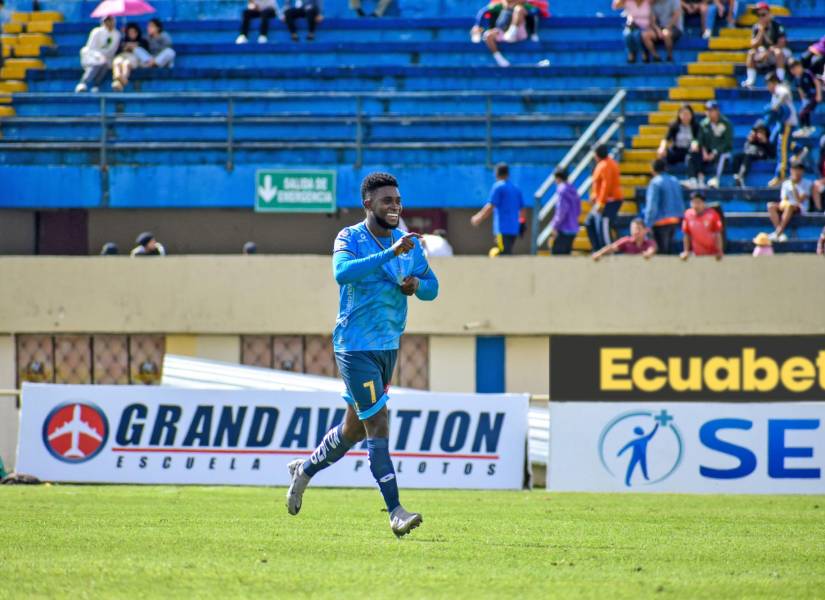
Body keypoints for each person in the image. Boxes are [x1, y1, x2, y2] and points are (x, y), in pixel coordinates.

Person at [285, 172, 438, 538]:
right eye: (387, 201)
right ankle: (396, 511)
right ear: (368, 204)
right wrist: (389, 254)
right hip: (354, 346)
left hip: (388, 345)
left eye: (398, 201)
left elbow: (433, 287)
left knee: (353, 430)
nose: (395, 207)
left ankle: (303, 471)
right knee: (378, 423)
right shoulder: (350, 237)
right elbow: (342, 273)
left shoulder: (409, 243)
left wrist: (417, 285)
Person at [470, 162, 526, 255]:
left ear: (496, 173)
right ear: (508, 174)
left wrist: (478, 217)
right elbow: (522, 209)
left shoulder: (498, 187)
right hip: (514, 229)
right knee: (507, 252)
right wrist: (522, 223)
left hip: (502, 229)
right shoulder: (516, 189)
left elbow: (491, 206)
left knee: (502, 255)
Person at [767, 162, 818, 242]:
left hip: (801, 207)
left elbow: (799, 200)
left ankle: (778, 233)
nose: (797, 172)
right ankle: (780, 233)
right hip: (787, 206)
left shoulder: (807, 183)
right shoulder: (786, 183)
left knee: (790, 206)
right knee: (770, 206)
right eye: (795, 170)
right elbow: (784, 198)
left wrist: (794, 186)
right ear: (791, 171)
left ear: (803, 171)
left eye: (799, 170)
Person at [586, 144, 623, 251]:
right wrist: (594, 197)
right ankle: (597, 248)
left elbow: (606, 186)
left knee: (603, 223)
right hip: (602, 200)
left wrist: (601, 203)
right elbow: (598, 184)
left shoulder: (606, 165)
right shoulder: (602, 164)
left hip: (610, 201)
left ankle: (607, 249)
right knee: (590, 222)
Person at [764, 72, 799, 187]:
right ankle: (798, 149)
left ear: (773, 83)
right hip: (782, 124)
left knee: (782, 150)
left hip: (787, 123)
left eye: (769, 84)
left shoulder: (779, 89)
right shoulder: (774, 94)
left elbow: (785, 93)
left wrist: (777, 105)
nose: (768, 87)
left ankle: (781, 175)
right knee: (778, 142)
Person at [644, 159, 685, 254]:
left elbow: (652, 205)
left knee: (660, 253)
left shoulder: (655, 182)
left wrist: (648, 223)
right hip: (674, 220)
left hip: (660, 222)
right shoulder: (674, 180)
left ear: (653, 170)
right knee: (669, 251)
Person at [741, 2, 787, 89]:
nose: (761, 17)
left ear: (769, 14)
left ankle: (780, 80)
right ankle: (750, 80)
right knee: (751, 53)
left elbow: (781, 43)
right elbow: (753, 45)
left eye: (763, 14)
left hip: (775, 53)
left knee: (778, 52)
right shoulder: (756, 27)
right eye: (759, 15)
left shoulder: (777, 25)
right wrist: (761, 31)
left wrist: (768, 51)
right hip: (762, 54)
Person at [692, 100, 733, 188]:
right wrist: (703, 150)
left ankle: (716, 178)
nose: (709, 113)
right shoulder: (703, 124)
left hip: (722, 151)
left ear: (717, 111)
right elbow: (699, 139)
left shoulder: (726, 124)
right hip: (707, 151)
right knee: (693, 152)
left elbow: (727, 143)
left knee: (722, 156)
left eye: (711, 110)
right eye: (707, 110)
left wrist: (714, 152)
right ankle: (698, 178)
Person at [75, 16, 121, 93]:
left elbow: (113, 50)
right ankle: (83, 82)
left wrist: (104, 57)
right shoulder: (96, 32)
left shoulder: (117, 34)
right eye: (107, 21)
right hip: (93, 56)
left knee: (104, 64)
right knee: (97, 64)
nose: (109, 23)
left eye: (111, 21)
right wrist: (99, 56)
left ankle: (96, 85)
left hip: (107, 58)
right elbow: (90, 48)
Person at [483, 0, 529, 67]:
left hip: (518, 32)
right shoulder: (499, 5)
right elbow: (485, 10)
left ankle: (512, 32)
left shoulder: (523, 6)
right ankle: (500, 60)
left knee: (519, 9)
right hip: (503, 32)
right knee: (487, 35)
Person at [546, 167, 582, 255]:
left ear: (558, 178)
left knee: (557, 256)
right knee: (566, 256)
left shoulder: (561, 189)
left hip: (563, 228)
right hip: (573, 228)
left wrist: (554, 226)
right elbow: (578, 209)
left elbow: (561, 211)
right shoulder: (573, 189)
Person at [657, 103, 700, 174]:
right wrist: (661, 147)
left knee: (695, 153)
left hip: (688, 151)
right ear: (679, 115)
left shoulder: (695, 126)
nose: (685, 116)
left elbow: (697, 139)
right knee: (663, 153)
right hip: (676, 151)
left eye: (687, 114)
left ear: (691, 115)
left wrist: (695, 144)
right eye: (683, 114)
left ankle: (693, 178)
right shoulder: (674, 125)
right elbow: (666, 139)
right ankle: (662, 175)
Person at [680, 191, 723, 259]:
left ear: (704, 203)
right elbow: (686, 234)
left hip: (712, 255)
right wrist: (686, 251)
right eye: (693, 202)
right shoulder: (688, 214)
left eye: (698, 202)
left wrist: (719, 251)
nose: (696, 205)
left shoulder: (712, 215)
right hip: (697, 254)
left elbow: (717, 234)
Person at [592, 217, 657, 260]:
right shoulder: (626, 241)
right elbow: (612, 247)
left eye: (639, 229)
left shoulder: (650, 242)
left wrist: (648, 254)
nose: (636, 231)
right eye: (634, 229)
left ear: (645, 230)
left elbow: (651, 250)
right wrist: (599, 253)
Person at [732, 120, 774, 186]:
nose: (759, 133)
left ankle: (741, 176)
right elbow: (746, 149)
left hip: (760, 153)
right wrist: (750, 141)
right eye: (758, 131)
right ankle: (736, 176)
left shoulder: (768, 138)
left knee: (748, 156)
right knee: (737, 156)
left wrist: (765, 142)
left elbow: (772, 154)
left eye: (762, 131)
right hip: (750, 152)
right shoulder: (752, 137)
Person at [111, 22, 149, 92]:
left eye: (134, 32)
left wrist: (134, 47)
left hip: (133, 58)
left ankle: (119, 82)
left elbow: (145, 53)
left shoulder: (143, 41)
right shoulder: (123, 40)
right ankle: (120, 79)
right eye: (130, 32)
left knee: (126, 64)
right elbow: (116, 52)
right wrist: (125, 47)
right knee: (117, 62)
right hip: (122, 56)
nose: (132, 34)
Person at [788, 58, 821, 139]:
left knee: (803, 113)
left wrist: (818, 95)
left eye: (796, 68)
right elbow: (800, 89)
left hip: (813, 97)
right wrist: (803, 99)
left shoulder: (807, 73)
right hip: (807, 99)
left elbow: (817, 83)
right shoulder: (797, 78)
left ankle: (807, 128)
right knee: (804, 112)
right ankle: (806, 128)